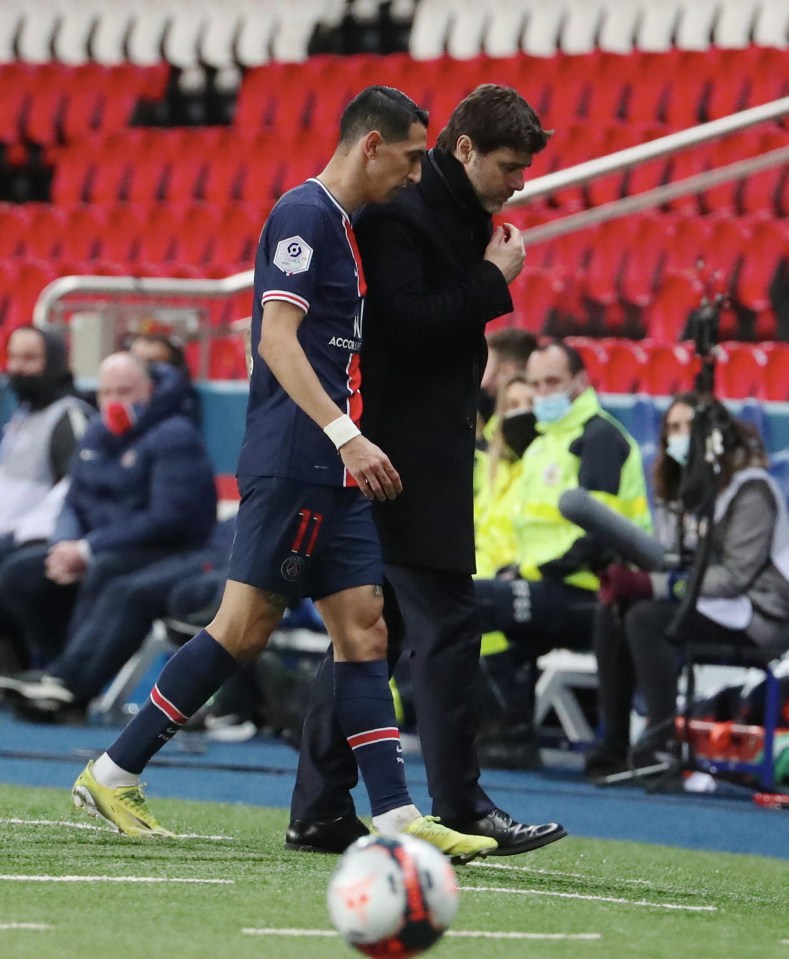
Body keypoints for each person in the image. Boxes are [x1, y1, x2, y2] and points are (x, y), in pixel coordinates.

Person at [71, 86, 497, 863]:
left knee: (363, 629)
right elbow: (274, 338)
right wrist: (345, 434)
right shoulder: (304, 215)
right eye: (406, 158)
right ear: (370, 145)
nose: (412, 175)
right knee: (242, 628)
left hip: (330, 468)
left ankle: (397, 816)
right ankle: (114, 768)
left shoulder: (342, 224)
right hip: (302, 460)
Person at [288, 84, 566, 857]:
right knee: (445, 626)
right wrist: (492, 280)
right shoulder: (402, 216)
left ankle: (316, 806)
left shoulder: (458, 215)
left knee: (375, 633)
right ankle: (463, 806)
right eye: (509, 165)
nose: (520, 183)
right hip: (394, 456)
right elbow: (401, 329)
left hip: (423, 452)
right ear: (464, 149)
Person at [586, 394, 789, 782]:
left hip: (759, 614)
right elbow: (669, 558)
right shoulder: (676, 488)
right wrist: (632, 575)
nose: (679, 438)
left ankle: (661, 741)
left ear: (714, 437)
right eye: (672, 430)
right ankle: (612, 746)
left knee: (647, 616)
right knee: (614, 609)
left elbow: (734, 579)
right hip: (704, 604)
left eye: (688, 429)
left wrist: (651, 585)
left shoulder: (752, 490)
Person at [472, 340, 651, 764]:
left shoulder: (599, 438)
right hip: (547, 586)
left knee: (475, 602)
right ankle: (505, 733)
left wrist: (534, 569)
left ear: (579, 382)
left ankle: (510, 732)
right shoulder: (542, 444)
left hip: (595, 593)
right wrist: (520, 568)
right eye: (536, 384)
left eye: (552, 381)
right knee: (469, 605)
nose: (543, 392)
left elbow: (600, 537)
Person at [0, 352, 216, 674]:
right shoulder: (95, 433)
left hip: (160, 551)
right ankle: (59, 666)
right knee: (20, 574)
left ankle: (71, 677)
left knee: (104, 569)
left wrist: (87, 550)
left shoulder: (174, 435)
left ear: (149, 390)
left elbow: (166, 518)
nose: (113, 401)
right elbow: (73, 500)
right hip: (95, 545)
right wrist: (64, 544)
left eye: (124, 392)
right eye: (106, 392)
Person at [6, 518, 236, 723]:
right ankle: (61, 679)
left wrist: (87, 549)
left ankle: (68, 683)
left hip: (210, 560)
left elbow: (170, 515)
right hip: (208, 551)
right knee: (115, 585)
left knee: (128, 591)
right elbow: (71, 505)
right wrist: (66, 545)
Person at [0, 326, 93, 671]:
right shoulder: (19, 418)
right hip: (11, 536)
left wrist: (23, 533)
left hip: (44, 540)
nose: (18, 368)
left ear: (52, 362)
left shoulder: (70, 415)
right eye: (13, 357)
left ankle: (49, 668)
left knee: (14, 572)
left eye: (30, 358)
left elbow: (77, 487)